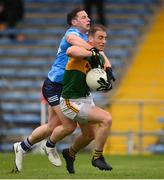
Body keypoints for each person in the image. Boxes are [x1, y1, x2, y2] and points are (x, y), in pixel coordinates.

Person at [13, 7, 93, 172]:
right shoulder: (72, 34)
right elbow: (74, 42)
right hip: (54, 86)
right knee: (69, 126)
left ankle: (21, 147)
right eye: (84, 17)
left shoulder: (86, 37)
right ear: (74, 22)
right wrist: (94, 51)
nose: (88, 19)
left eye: (88, 16)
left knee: (52, 126)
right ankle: (49, 146)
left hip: (66, 87)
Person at [46, 24, 115, 174]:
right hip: (70, 102)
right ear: (90, 38)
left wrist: (105, 85)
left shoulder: (99, 57)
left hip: (85, 98)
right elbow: (71, 51)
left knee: (89, 135)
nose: (103, 41)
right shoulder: (85, 51)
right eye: (100, 38)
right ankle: (97, 157)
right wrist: (92, 53)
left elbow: (96, 80)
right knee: (106, 119)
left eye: (105, 38)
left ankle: (69, 153)